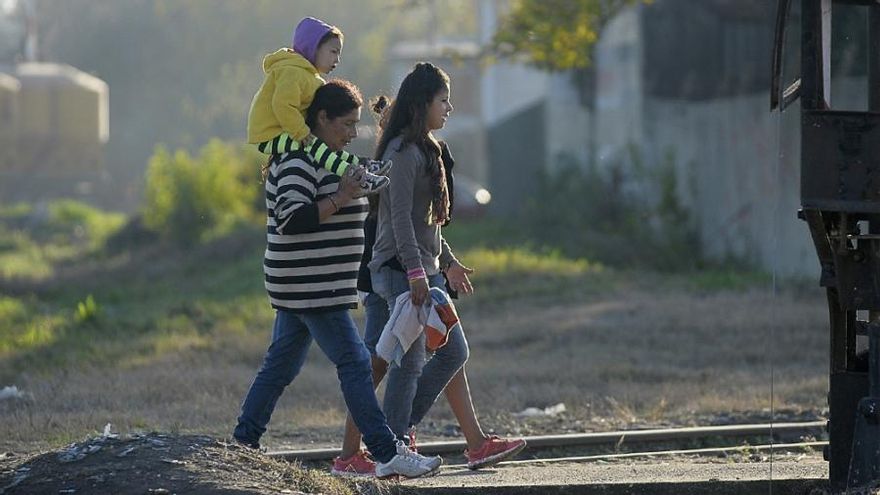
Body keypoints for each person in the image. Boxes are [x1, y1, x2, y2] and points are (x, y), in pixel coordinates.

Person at [232, 79, 442, 479]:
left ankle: (244, 442)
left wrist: (367, 183)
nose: (351, 134)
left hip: (314, 284)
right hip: (311, 285)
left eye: (356, 125)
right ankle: (385, 452)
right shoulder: (297, 160)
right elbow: (293, 219)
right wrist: (342, 198)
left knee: (281, 367)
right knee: (356, 364)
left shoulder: (331, 159)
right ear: (321, 119)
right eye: (345, 124)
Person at [330, 65, 526, 477]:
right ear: (422, 104)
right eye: (443, 100)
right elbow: (398, 218)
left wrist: (447, 262)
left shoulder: (429, 148)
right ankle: (393, 445)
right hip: (400, 272)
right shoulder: (401, 152)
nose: (450, 108)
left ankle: (389, 439)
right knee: (406, 359)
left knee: (451, 351)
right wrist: (419, 274)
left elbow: (427, 225)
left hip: (423, 271)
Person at [247, 16, 390, 195]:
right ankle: (358, 177)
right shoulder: (291, 72)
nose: (337, 59)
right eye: (333, 52)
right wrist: (301, 132)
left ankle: (364, 165)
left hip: (285, 131)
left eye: (339, 53)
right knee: (314, 146)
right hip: (268, 135)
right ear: (313, 48)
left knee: (324, 148)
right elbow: (282, 105)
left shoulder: (312, 78)